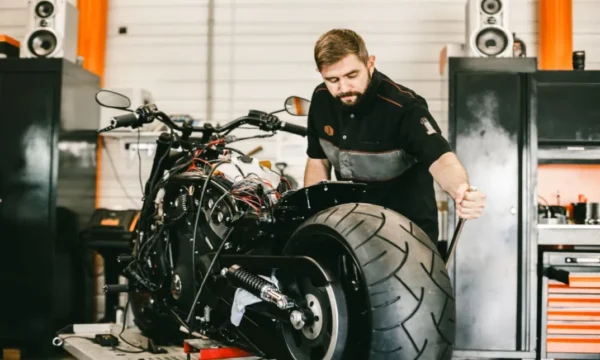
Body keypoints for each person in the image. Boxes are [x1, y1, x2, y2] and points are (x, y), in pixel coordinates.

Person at [303, 29, 486, 242]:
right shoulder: (321, 99)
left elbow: (441, 159)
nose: (343, 88)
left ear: (370, 63)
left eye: (352, 75)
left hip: (408, 234)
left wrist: (460, 190)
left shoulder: (404, 107)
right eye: (332, 79)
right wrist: (312, 218)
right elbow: (318, 163)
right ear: (320, 73)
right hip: (350, 230)